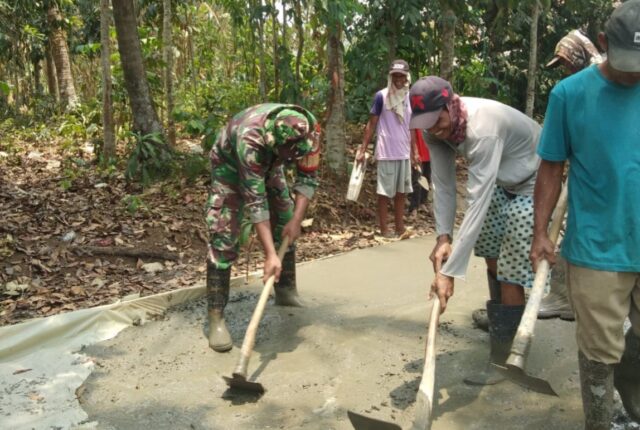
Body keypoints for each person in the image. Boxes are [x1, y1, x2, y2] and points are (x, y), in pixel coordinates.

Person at [531, 2, 640, 427]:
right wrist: (540, 232)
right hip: (598, 246)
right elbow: (551, 167)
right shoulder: (569, 95)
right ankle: (598, 420)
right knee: (598, 352)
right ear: (601, 45)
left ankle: (632, 406)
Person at [409, 76, 543, 386]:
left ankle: (506, 358)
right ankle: (502, 323)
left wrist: (449, 273)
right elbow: (442, 185)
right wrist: (443, 237)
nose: (433, 129)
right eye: (425, 123)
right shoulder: (434, 130)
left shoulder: (482, 128)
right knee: (491, 251)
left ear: (449, 104)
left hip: (534, 181)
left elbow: (477, 202)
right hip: (501, 178)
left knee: (510, 267)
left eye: (436, 120)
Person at [205, 103, 321, 352]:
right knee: (224, 234)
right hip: (230, 165)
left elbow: (308, 177)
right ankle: (215, 316)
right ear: (274, 142)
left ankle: (286, 291)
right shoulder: (251, 140)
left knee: (285, 214)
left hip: (272, 162)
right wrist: (270, 255)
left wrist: (295, 221)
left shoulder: (309, 133)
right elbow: (255, 201)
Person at [357, 59, 416, 238]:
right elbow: (371, 123)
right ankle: (384, 229)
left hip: (404, 151)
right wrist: (363, 148)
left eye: (402, 76)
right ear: (391, 77)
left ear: (407, 77)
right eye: (395, 75)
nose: (398, 79)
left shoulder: (410, 97)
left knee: (401, 192)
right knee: (384, 193)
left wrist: (415, 152)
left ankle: (400, 228)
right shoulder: (381, 96)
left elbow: (412, 126)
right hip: (386, 150)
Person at [407, 129, 432, 217]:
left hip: (429, 152)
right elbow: (411, 134)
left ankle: (422, 202)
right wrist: (414, 153)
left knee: (426, 179)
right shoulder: (415, 116)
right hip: (418, 153)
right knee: (417, 180)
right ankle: (414, 207)